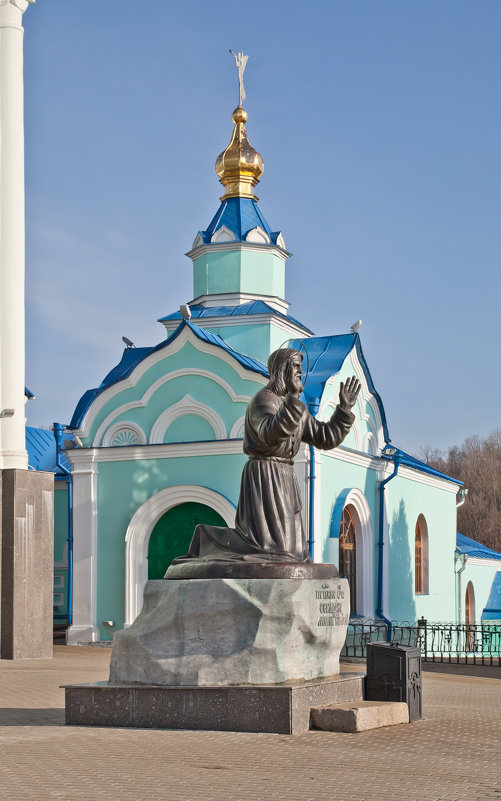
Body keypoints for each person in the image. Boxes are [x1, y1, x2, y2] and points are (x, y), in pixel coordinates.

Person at [169, 348, 360, 569]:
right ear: (282, 370)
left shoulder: (295, 407)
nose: (300, 371)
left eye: (300, 367)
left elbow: (325, 437)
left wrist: (344, 409)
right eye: (295, 366)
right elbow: (271, 434)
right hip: (265, 476)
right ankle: (207, 540)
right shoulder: (262, 401)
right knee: (274, 550)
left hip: (285, 478)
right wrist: (294, 398)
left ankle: (210, 539)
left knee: (293, 552)